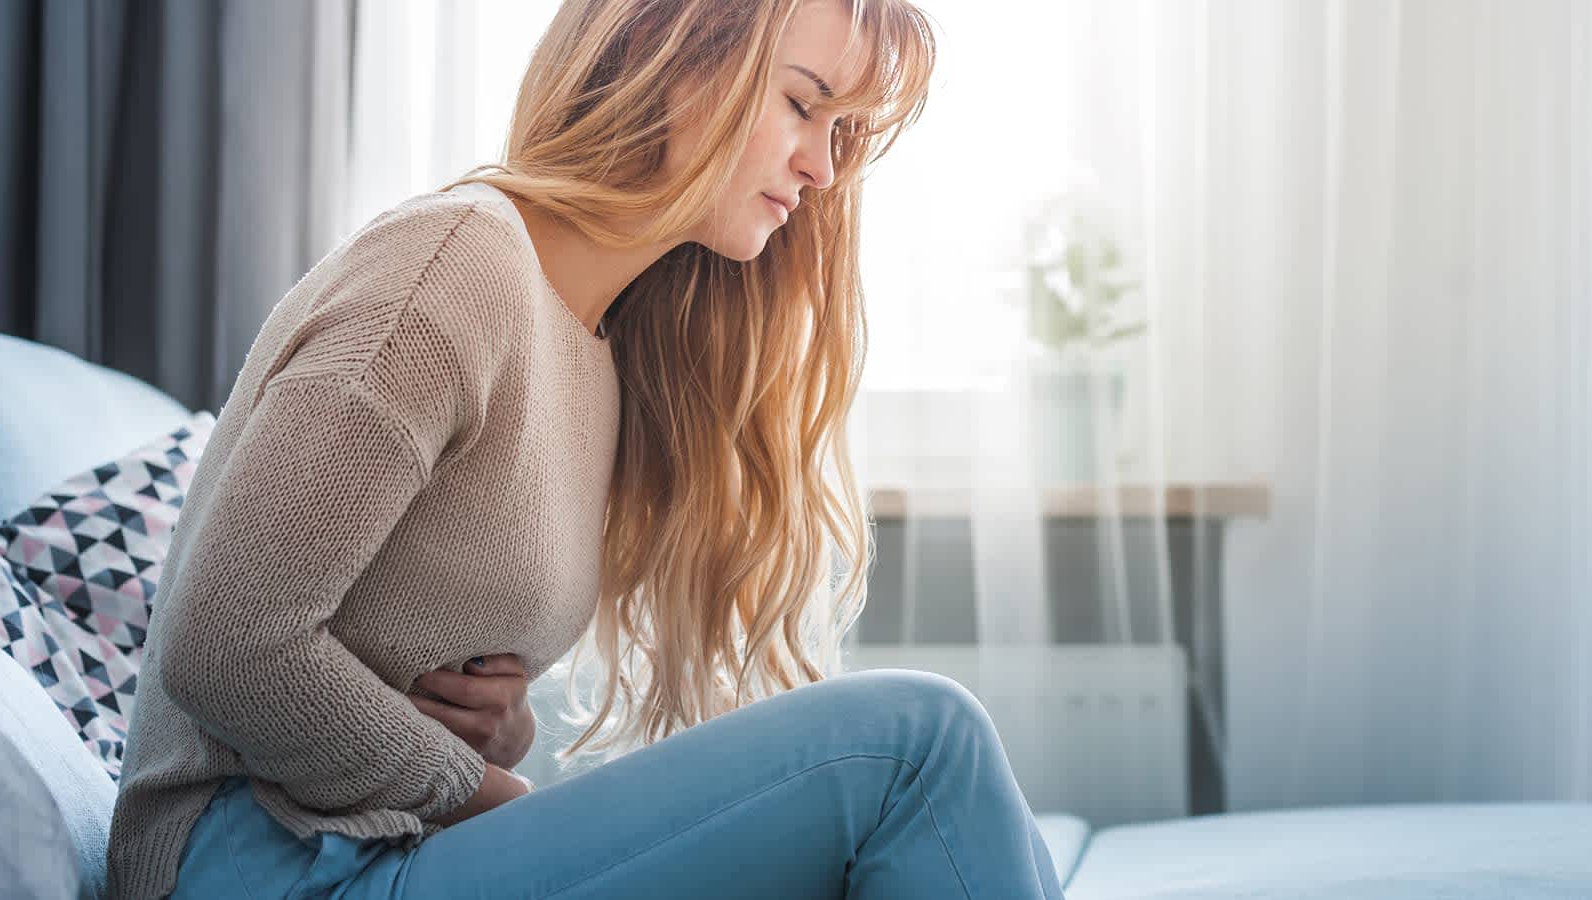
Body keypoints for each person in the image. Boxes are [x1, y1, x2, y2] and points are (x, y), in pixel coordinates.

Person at [106, 0, 1067, 897]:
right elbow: (228, 646)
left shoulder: (602, 345)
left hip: (376, 845)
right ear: (675, 61)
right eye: (800, 105)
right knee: (916, 743)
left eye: (839, 134)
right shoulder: (451, 267)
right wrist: (486, 791)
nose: (821, 167)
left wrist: (501, 728)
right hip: (264, 863)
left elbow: (412, 658)